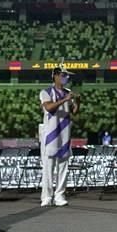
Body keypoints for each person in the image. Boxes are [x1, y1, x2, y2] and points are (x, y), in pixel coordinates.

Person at [39, 65, 79, 207]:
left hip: (65, 132)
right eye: (64, 75)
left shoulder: (68, 92)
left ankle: (60, 195)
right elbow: (49, 108)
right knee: (48, 166)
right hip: (50, 133)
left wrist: (77, 101)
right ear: (55, 76)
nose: (67, 78)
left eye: (67, 76)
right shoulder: (46, 92)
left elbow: (74, 111)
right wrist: (65, 99)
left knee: (63, 166)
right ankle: (47, 196)